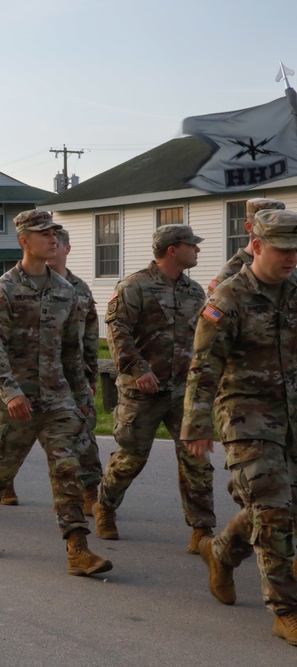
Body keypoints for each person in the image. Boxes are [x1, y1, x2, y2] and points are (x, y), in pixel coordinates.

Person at [0, 210, 110, 577]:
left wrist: (81, 395)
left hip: (57, 398)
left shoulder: (66, 292)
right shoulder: (3, 291)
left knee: (68, 468)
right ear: (23, 241)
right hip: (13, 401)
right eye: (42, 233)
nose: (51, 238)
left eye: (53, 233)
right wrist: (11, 392)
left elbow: (71, 351)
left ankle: (78, 548)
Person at [183, 208, 297, 646]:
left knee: (284, 506)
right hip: (246, 414)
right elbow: (203, 367)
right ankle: (286, 610)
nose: (290, 258)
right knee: (273, 510)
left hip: (292, 415)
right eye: (283, 249)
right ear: (258, 245)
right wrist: (196, 424)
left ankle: (222, 551)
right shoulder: (227, 299)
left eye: (296, 250)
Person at [95, 224, 215, 554]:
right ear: (173, 249)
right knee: (130, 459)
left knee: (197, 461)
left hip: (183, 392)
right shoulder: (135, 286)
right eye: (193, 245)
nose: (198, 250)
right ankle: (105, 506)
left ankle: (201, 530)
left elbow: (203, 338)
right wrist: (138, 369)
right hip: (142, 391)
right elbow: (117, 331)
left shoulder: (194, 292)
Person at [1, 227, 101, 513]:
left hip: (67, 381)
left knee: (82, 437)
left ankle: (90, 493)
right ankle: (4, 481)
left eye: (58, 243)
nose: (52, 246)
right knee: (10, 442)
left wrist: (89, 376)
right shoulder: (12, 286)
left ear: (67, 250)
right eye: (47, 240)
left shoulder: (78, 289)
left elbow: (89, 336)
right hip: (24, 381)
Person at [207, 198, 286, 295]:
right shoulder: (227, 275)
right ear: (249, 227)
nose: (274, 231)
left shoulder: (286, 269)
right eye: (265, 225)